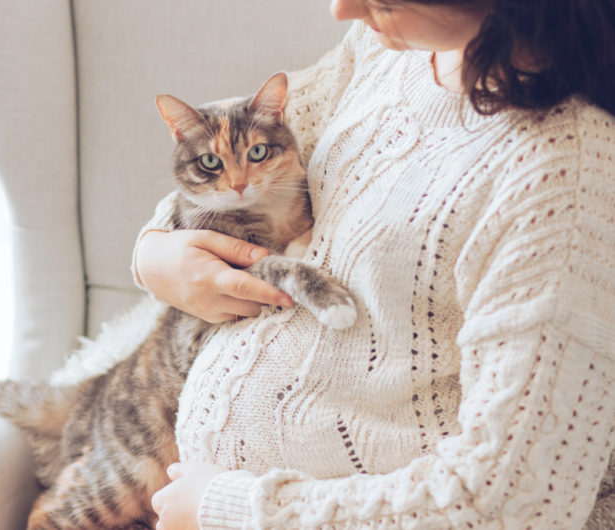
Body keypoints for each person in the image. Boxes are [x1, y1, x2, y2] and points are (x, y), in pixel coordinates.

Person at [137, 0, 615, 528]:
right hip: (182, 479)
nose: (342, 10)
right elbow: (245, 149)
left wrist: (233, 508)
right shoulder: (388, 50)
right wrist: (156, 248)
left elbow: (509, 503)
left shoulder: (565, 178)